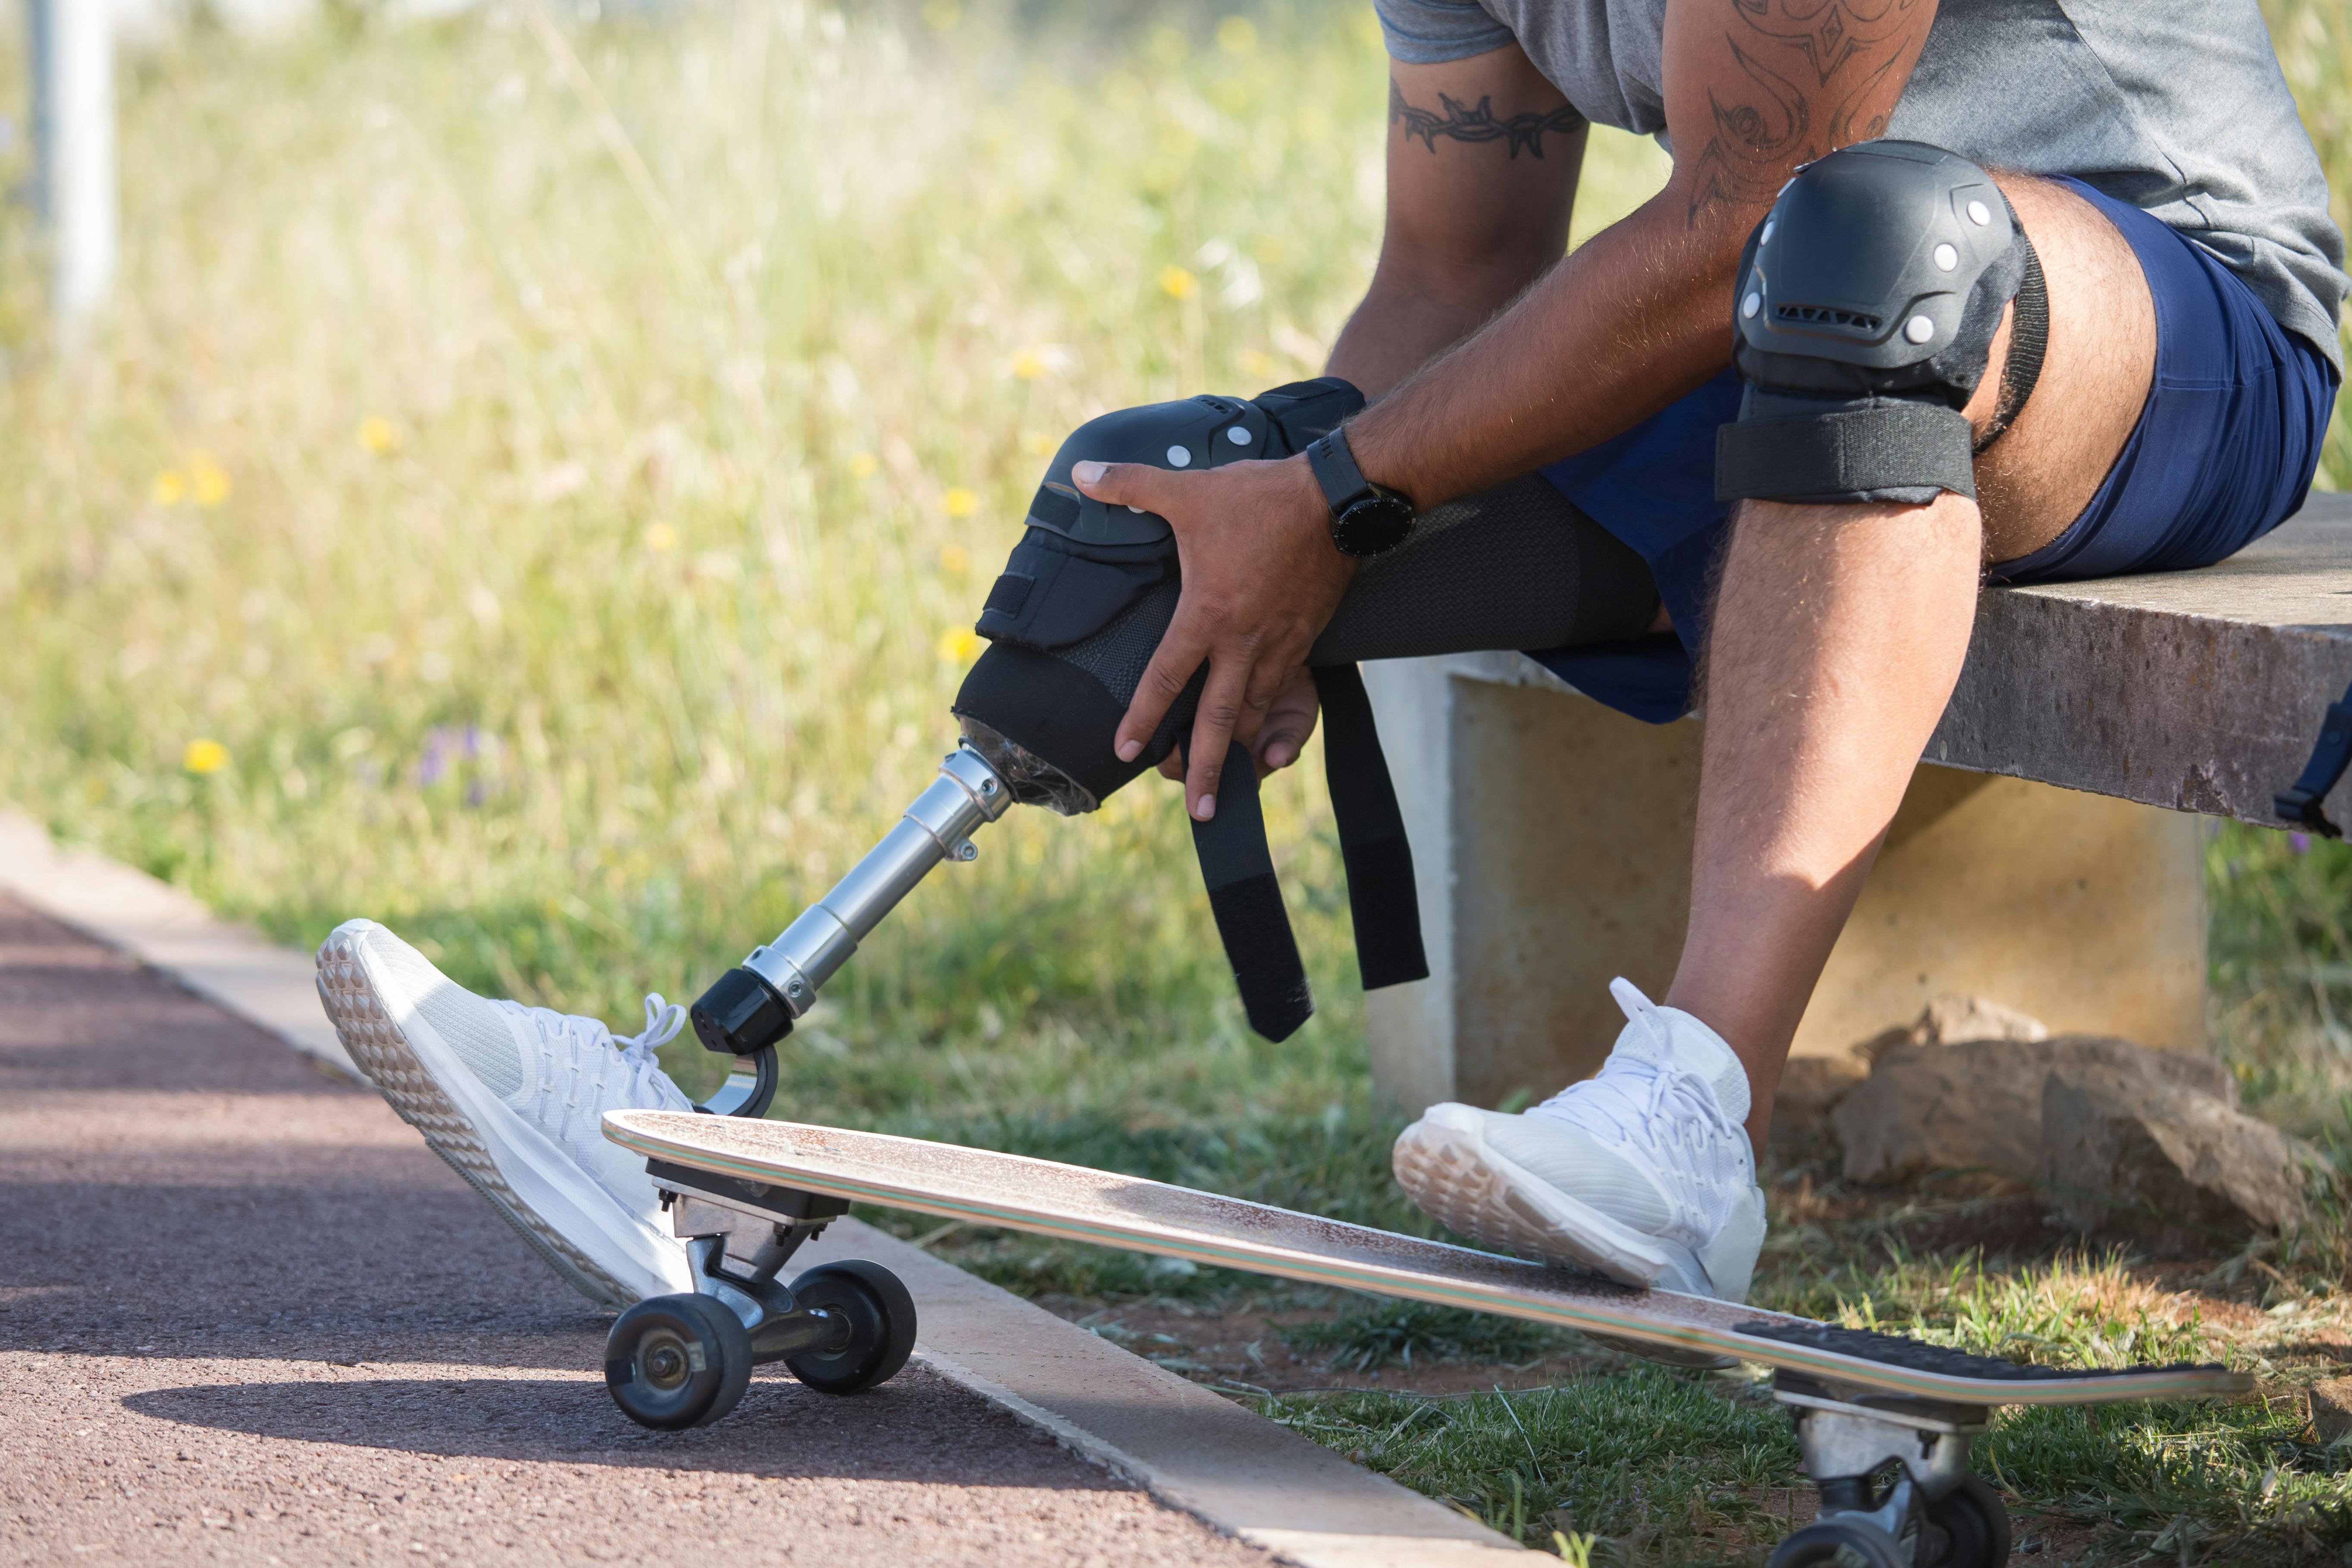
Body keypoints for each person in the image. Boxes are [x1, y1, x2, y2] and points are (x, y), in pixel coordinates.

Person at [318, 0, 2343, 1312]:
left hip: (2152, 311)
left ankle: (1685, 1124)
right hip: (1783, 320)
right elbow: (1449, 283)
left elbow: (1752, 213)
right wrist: (1282, 536)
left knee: (1870, 253)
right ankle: (685, 1070)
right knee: (1166, 500)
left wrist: (1346, 499)